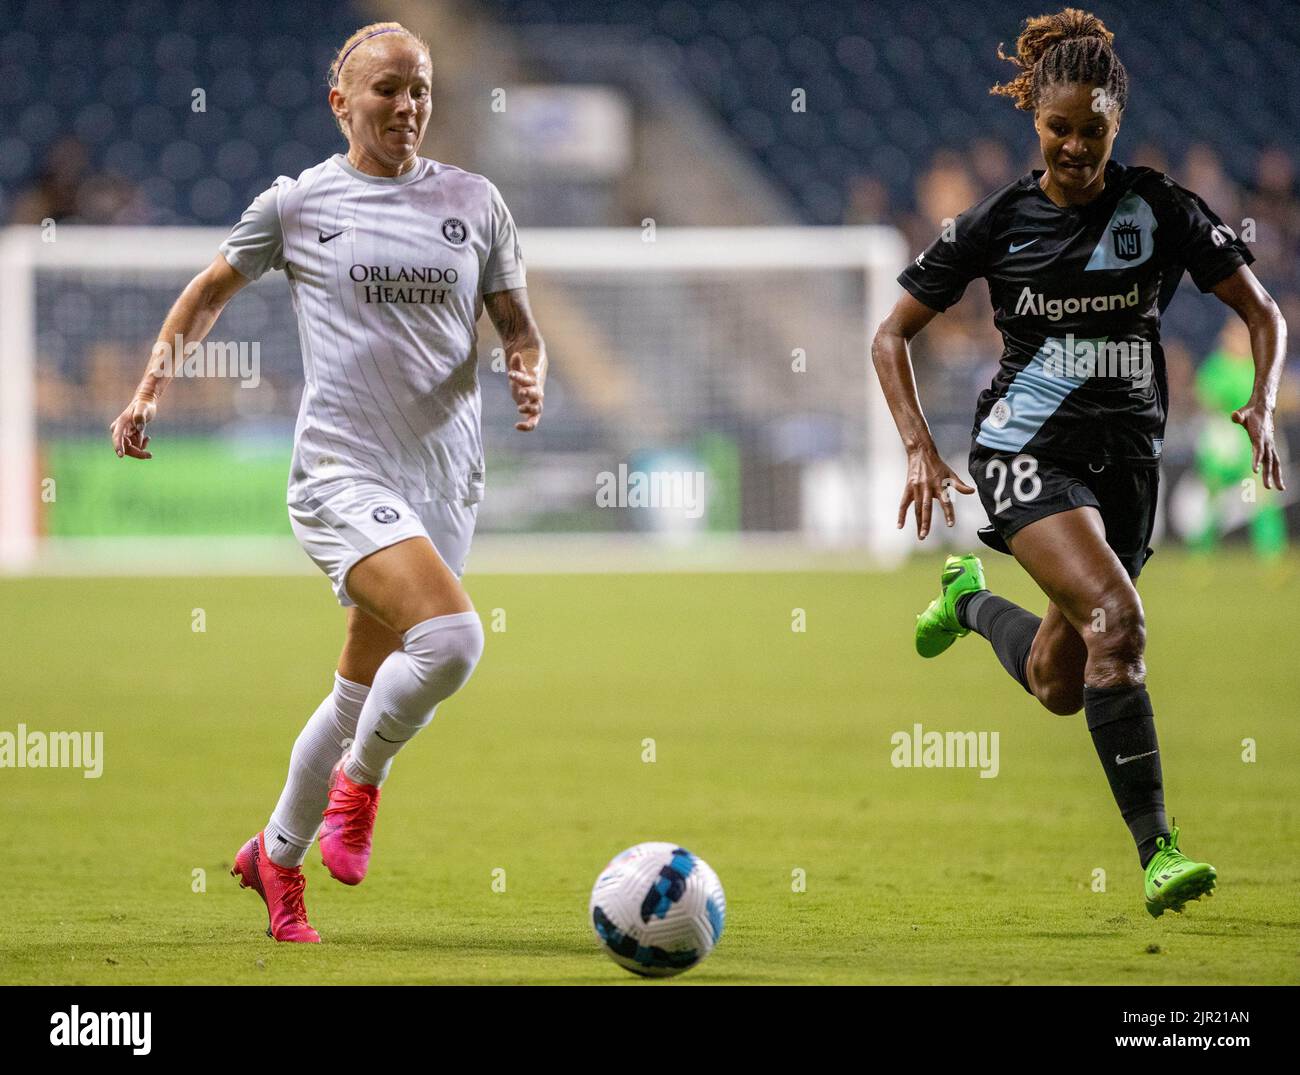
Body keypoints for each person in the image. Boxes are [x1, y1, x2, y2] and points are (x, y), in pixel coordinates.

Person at [109, 21, 547, 942]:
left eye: (421, 88)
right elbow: (207, 293)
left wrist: (526, 362)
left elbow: (516, 320)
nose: (409, 105)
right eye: (388, 88)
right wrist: (151, 384)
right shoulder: (300, 203)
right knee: (456, 642)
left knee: (358, 692)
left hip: (445, 481)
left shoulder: (475, 201)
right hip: (342, 473)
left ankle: (273, 856)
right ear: (340, 101)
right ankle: (362, 784)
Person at [871, 9, 1286, 917]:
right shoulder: (997, 221)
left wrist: (1262, 400)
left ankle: (967, 600)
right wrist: (918, 443)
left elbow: (1264, 314)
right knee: (1120, 621)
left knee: (1065, 682)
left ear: (1115, 126)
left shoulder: (1160, 210)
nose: (1074, 148)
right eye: (1059, 129)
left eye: (1091, 132)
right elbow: (890, 334)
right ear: (1035, 122)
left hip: (1125, 471)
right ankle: (1159, 852)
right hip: (1024, 452)